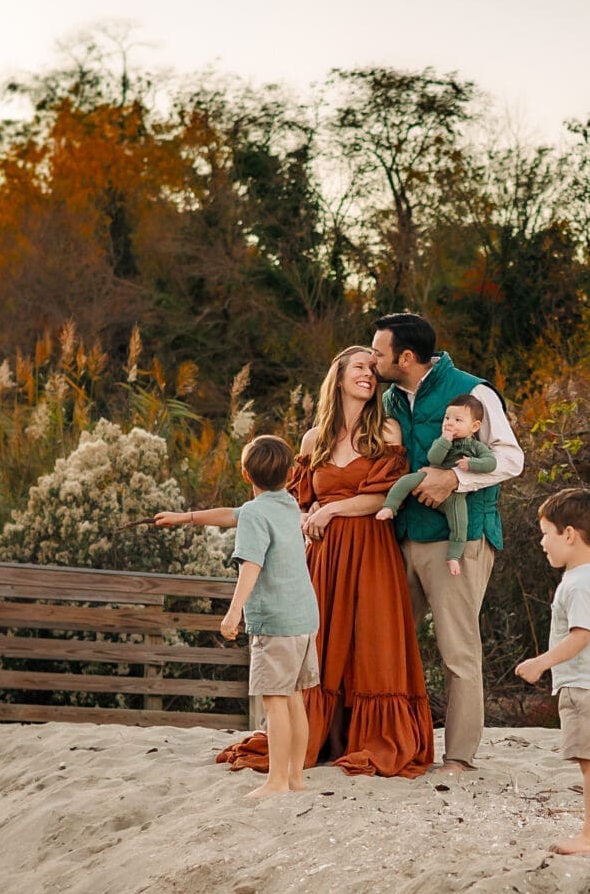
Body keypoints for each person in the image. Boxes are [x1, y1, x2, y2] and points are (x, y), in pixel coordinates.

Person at [189, 347, 436, 779]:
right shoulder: (312, 439)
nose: (368, 375)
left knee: (372, 643)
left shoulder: (388, 431)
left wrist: (332, 510)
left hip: (372, 551)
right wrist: (310, 517)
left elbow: (385, 498)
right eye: (359, 367)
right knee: (325, 646)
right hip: (323, 555)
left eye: (373, 371)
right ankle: (314, 738)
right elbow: (294, 503)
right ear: (337, 376)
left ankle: (368, 739)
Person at [371, 313, 523, 773]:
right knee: (392, 646)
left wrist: (453, 479)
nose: (373, 359)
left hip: (460, 539)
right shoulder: (391, 398)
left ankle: (459, 757)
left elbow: (511, 459)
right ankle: (397, 746)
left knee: (457, 650)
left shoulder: (472, 391)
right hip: (401, 538)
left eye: (379, 352)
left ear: (407, 357)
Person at [153, 436, 319, 799]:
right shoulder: (287, 504)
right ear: (291, 473)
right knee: (294, 699)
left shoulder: (258, 514)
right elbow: (233, 514)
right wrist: (185, 517)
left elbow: (251, 566)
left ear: (246, 474)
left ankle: (276, 781)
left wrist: (232, 615)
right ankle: (294, 777)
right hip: (304, 619)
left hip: (275, 622)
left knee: (274, 702)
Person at [515, 488, 590, 854]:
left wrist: (540, 663)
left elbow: (580, 636)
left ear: (570, 534)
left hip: (585, 687)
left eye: (546, 533)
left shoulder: (577, 583)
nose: (542, 542)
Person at [376, 394, 498, 576]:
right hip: (429, 475)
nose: (449, 423)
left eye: (458, 420)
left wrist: (471, 464)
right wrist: (444, 440)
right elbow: (434, 458)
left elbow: (491, 463)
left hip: (456, 496)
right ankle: (389, 506)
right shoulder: (443, 441)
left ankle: (454, 557)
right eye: (447, 418)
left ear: (474, 426)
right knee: (406, 480)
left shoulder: (476, 447)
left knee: (460, 524)